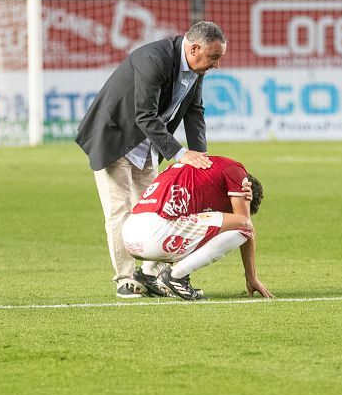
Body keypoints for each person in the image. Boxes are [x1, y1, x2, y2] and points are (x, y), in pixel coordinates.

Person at [75, 21, 225, 298]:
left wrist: (200, 156)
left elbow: (195, 111)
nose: (216, 64)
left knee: (160, 211)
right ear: (194, 48)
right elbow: (145, 114)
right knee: (120, 211)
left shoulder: (196, 68)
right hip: (114, 138)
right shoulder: (154, 58)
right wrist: (181, 154)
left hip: (147, 143)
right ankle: (125, 279)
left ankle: (153, 275)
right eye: (214, 57)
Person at [123, 156, 272, 300]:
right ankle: (177, 276)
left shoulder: (199, 174)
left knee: (192, 228)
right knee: (243, 226)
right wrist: (251, 277)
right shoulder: (236, 171)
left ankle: (146, 273)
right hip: (156, 235)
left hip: (130, 234)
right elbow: (246, 225)